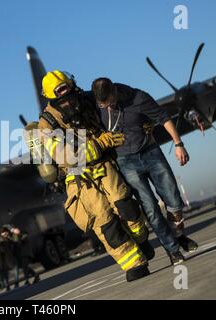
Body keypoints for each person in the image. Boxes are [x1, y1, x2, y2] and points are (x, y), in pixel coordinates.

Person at [37, 70, 152, 281]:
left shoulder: (88, 100)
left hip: (104, 165)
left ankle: (142, 240)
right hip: (79, 179)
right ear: (52, 99)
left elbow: (115, 106)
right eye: (62, 99)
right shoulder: (46, 125)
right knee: (106, 223)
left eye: (70, 93)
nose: (69, 102)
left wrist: (139, 121)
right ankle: (134, 264)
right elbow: (67, 157)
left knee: (126, 206)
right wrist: (101, 143)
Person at [91, 77, 198, 265]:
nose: (106, 108)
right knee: (151, 210)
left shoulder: (138, 98)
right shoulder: (95, 104)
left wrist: (179, 144)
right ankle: (173, 250)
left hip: (150, 153)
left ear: (114, 92)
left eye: (109, 103)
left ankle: (178, 235)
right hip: (125, 162)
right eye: (102, 104)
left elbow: (164, 118)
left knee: (174, 203)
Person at [0, 227, 17, 291]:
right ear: (1, 234)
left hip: (7, 259)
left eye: (7, 232)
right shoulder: (1, 242)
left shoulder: (8, 240)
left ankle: (9, 285)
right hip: (3, 260)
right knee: (5, 273)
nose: (6, 234)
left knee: (8, 272)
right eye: (5, 233)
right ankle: (7, 285)